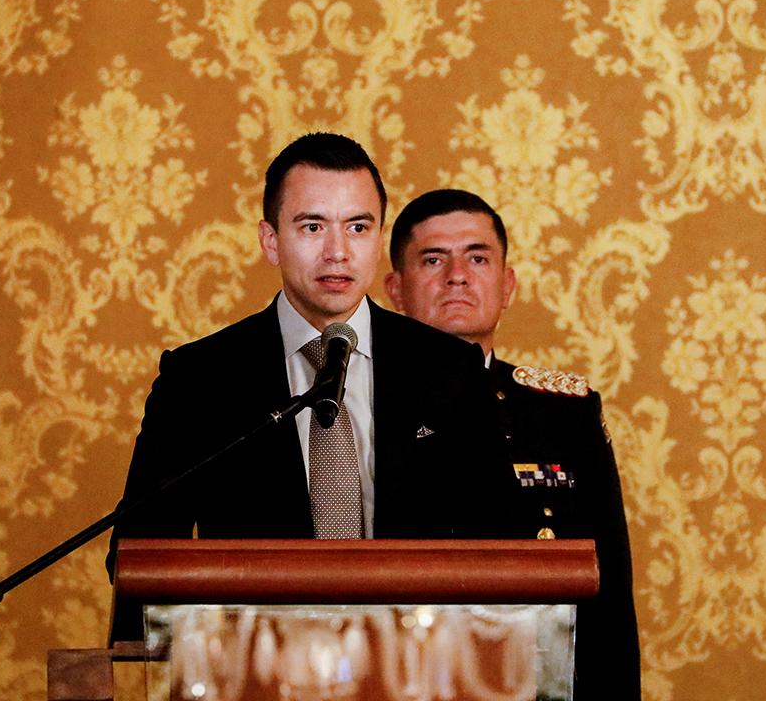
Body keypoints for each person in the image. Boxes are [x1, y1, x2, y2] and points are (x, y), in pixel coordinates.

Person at [106, 136, 517, 614]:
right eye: (313, 227)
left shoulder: (450, 369)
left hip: (415, 651)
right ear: (271, 241)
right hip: (257, 651)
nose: (337, 252)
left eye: (358, 227)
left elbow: (502, 550)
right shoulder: (200, 379)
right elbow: (141, 557)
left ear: (378, 240)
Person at [384, 188, 641, 700]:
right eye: (433, 259)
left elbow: (608, 597)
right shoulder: (359, 408)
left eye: (477, 258)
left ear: (507, 286)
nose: (457, 275)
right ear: (396, 289)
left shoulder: (565, 413)